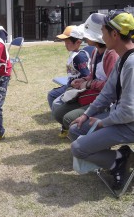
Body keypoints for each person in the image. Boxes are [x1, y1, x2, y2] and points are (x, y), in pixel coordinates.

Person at [69, 10, 134, 190]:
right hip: (122, 119)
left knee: (78, 148)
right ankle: (120, 158)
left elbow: (129, 111)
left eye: (103, 31)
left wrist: (104, 122)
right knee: (76, 129)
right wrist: (87, 115)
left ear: (114, 34)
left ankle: (118, 161)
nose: (101, 36)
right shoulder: (123, 59)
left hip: (129, 124)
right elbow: (107, 93)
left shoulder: (131, 63)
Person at [52, 13, 119, 138]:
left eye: (87, 35)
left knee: (68, 119)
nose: (84, 38)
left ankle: (88, 143)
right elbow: (92, 76)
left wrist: (88, 83)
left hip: (106, 101)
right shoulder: (95, 52)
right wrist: (82, 80)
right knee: (58, 112)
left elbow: (111, 86)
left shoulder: (111, 54)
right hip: (93, 94)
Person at [47, 25, 90, 111]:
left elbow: (86, 75)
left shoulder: (80, 57)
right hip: (70, 83)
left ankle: (58, 113)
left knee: (52, 95)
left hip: (75, 86)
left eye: (68, 43)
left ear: (78, 42)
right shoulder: (73, 53)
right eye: (65, 42)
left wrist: (74, 85)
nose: (65, 45)